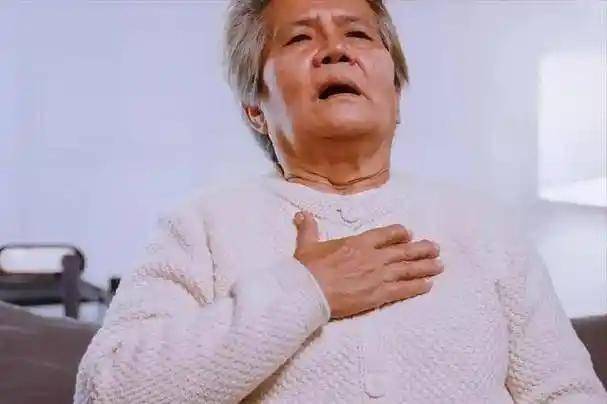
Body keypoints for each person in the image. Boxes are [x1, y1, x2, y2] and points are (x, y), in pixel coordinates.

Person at [74, 0, 607, 402]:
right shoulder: (201, 226)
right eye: (299, 38)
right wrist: (305, 291)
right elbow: (108, 390)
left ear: (396, 93)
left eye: (357, 33)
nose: (335, 49)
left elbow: (567, 393)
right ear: (255, 108)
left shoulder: (483, 226)